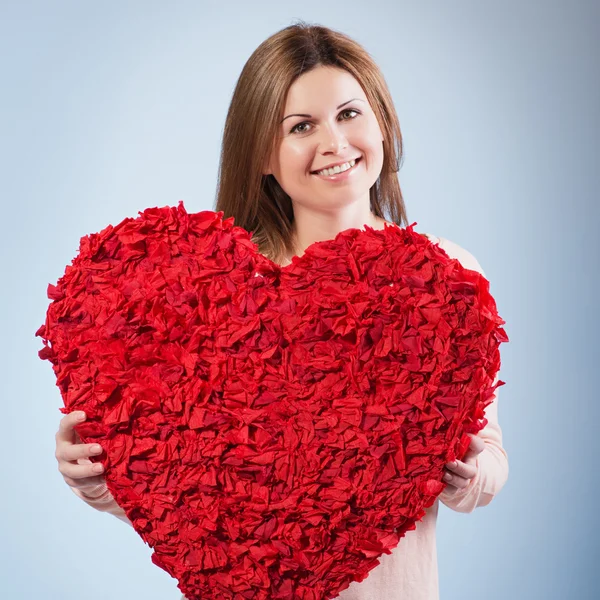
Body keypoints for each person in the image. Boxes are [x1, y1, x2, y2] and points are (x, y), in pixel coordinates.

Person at [54, 21, 509, 600]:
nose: (335, 143)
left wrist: (460, 472)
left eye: (349, 114)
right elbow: (191, 506)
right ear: (264, 154)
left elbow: (490, 460)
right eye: (301, 126)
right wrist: (96, 476)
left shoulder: (446, 281)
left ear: (383, 123)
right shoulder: (204, 297)